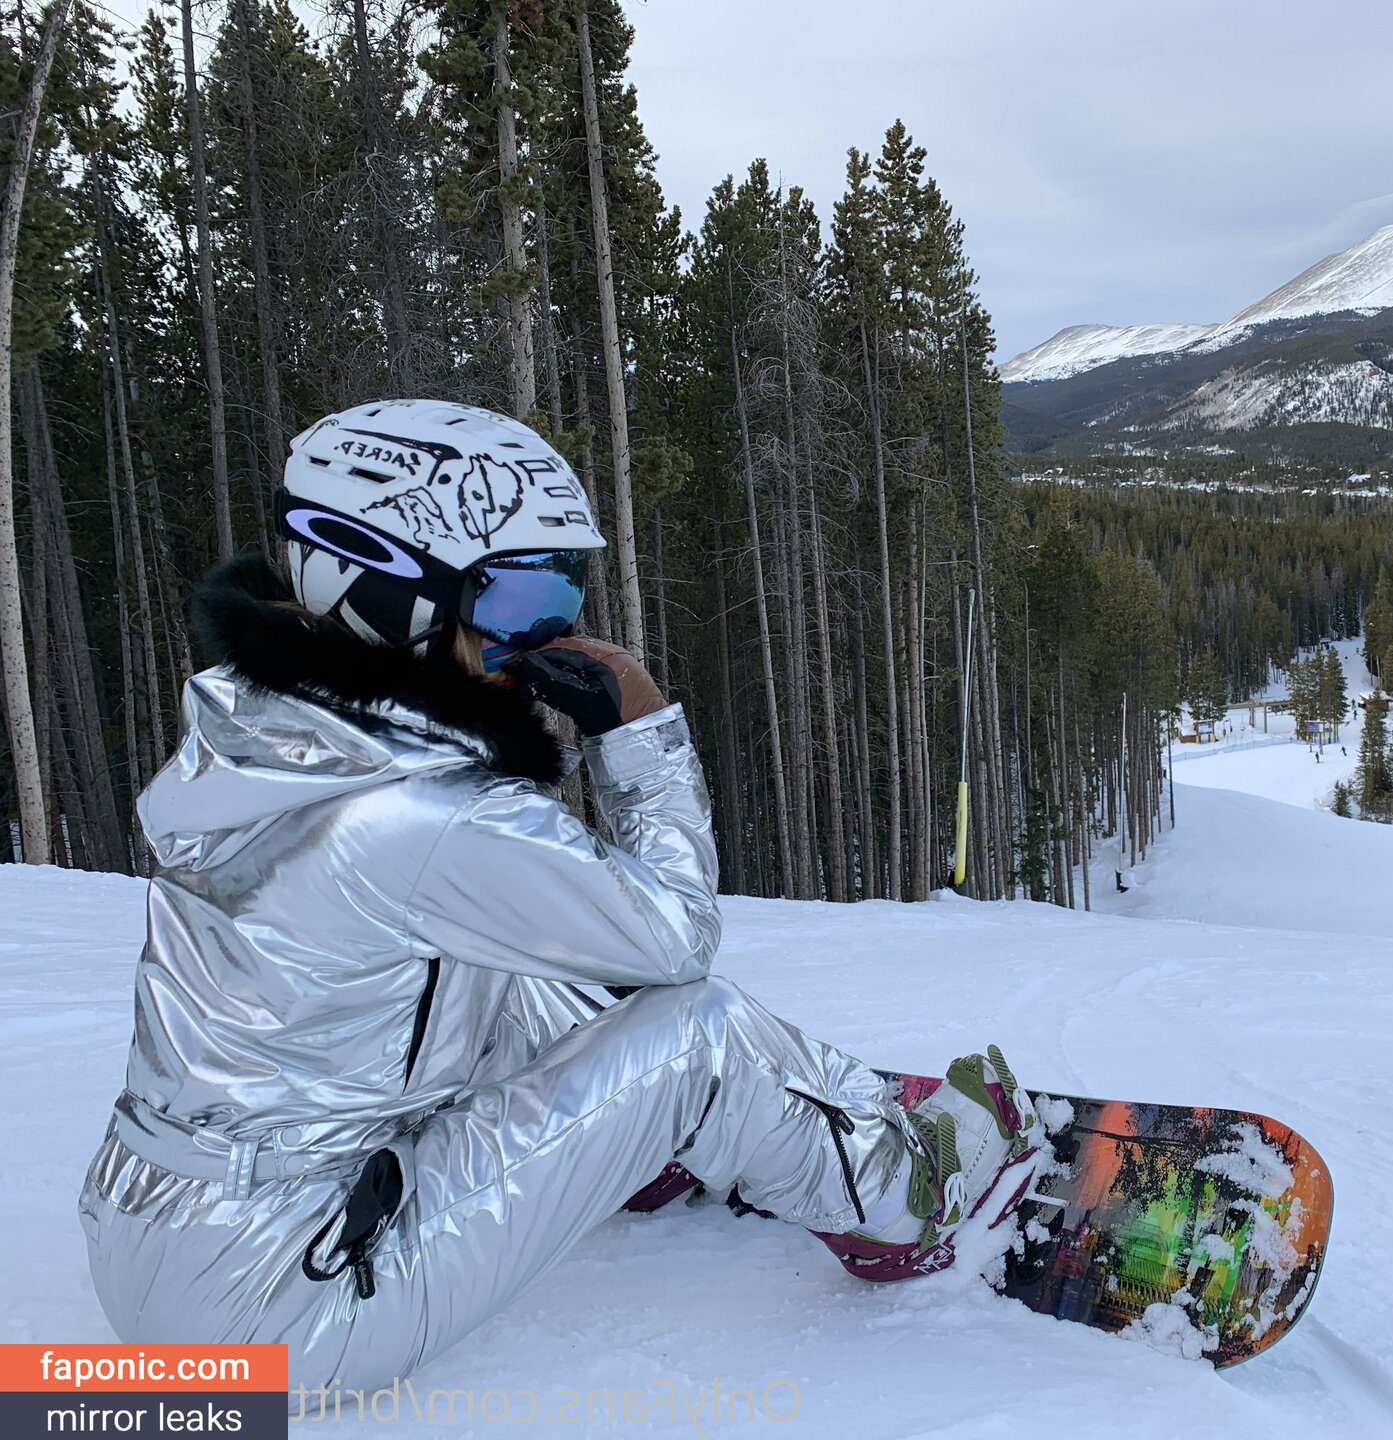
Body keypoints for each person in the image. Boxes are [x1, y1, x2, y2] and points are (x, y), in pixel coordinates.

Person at [77, 400, 1038, 1400]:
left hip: (157, 1236)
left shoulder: (260, 727)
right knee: (701, 1034)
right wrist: (642, 734)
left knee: (521, 974)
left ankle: (641, 1153)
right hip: (288, 1306)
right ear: (395, 593)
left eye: (563, 590)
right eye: (521, 597)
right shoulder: (430, 812)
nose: (552, 633)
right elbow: (673, 938)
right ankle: (909, 1204)